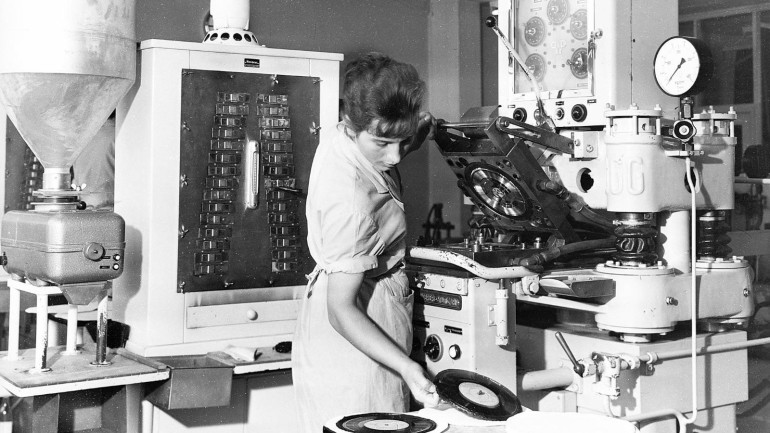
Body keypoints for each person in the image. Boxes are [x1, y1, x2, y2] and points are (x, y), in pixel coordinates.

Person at [292, 52, 440, 431]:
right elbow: (340, 310)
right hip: (356, 331)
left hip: (351, 312)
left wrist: (416, 136)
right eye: (382, 143)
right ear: (350, 123)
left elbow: (388, 145)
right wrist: (408, 367)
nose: (393, 156)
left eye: (401, 140)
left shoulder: (342, 135)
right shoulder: (352, 205)